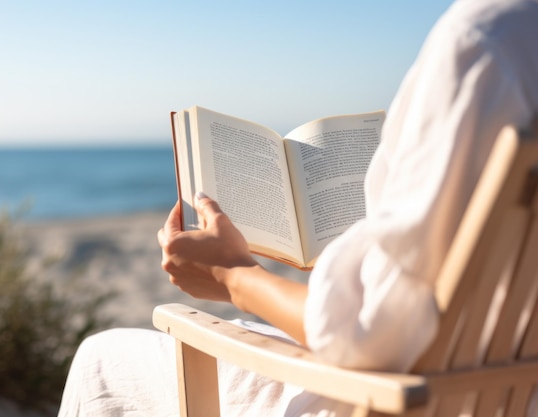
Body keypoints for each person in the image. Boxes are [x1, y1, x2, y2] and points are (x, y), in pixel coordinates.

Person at [58, 0, 538, 415]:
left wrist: (235, 276)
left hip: (413, 400)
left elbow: (370, 333)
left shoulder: (488, 41)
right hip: (515, 384)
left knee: (104, 356)